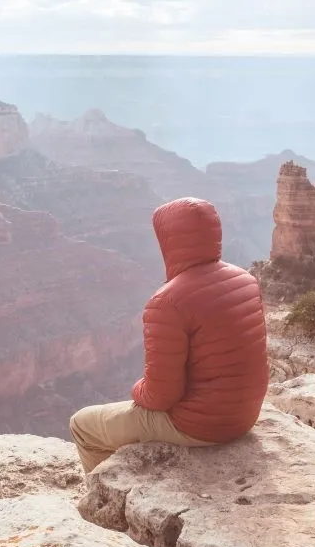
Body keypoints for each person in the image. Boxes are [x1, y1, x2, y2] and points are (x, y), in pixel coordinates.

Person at [68, 196, 269, 473]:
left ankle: (100, 497)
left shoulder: (167, 302)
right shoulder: (245, 280)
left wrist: (136, 389)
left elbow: (160, 397)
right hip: (245, 415)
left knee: (82, 425)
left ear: (168, 239)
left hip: (200, 426)